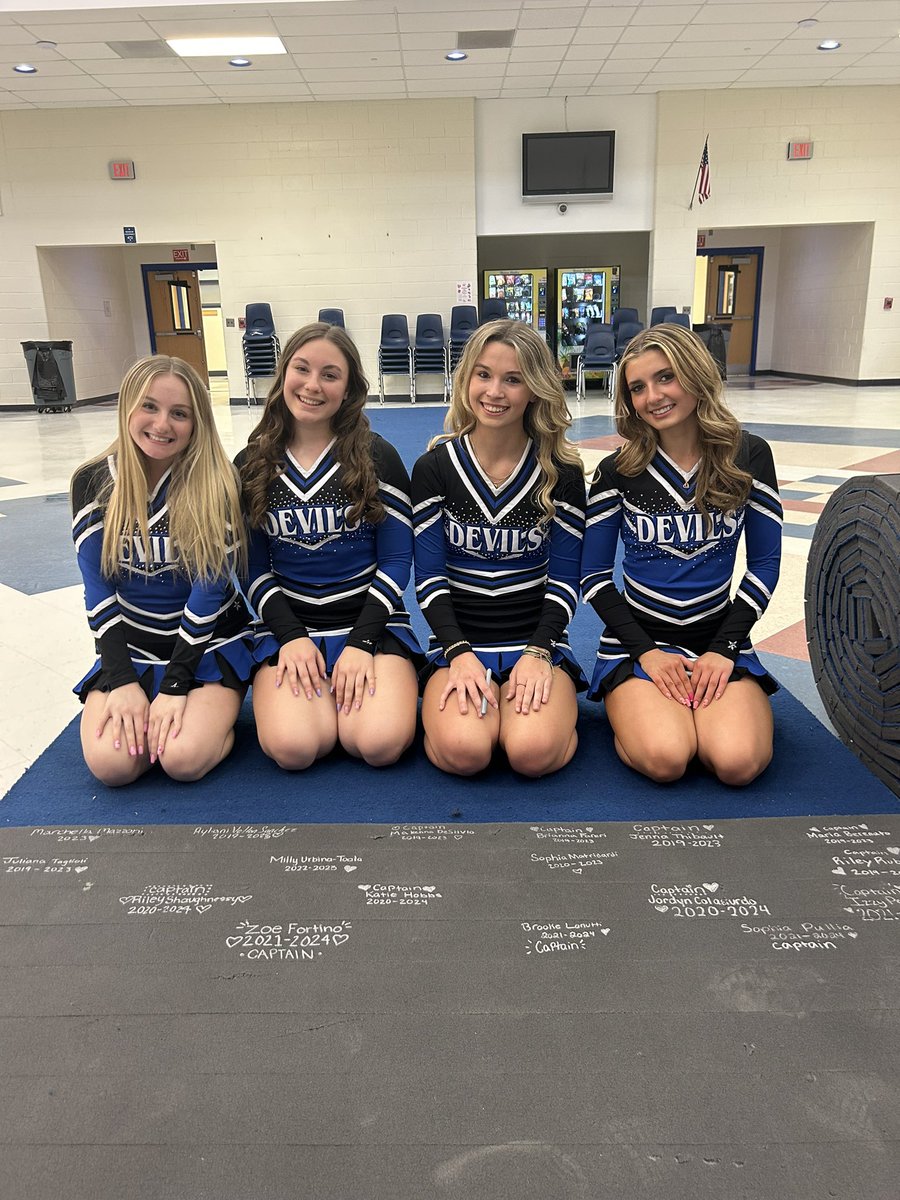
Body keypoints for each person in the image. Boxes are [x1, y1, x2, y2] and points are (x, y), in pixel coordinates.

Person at [581, 323, 783, 786]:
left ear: (694, 374)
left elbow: (765, 565)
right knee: (667, 759)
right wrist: (647, 654)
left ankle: (701, 708)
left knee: (737, 764)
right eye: (637, 387)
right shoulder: (620, 469)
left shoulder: (747, 455)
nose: (653, 396)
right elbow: (592, 576)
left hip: (719, 638)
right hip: (637, 643)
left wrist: (724, 648)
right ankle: (643, 712)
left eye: (665, 377)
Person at [237, 322, 421, 771]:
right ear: (283, 376)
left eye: (330, 374)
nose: (312, 385)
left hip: (370, 625)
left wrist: (361, 642)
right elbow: (251, 568)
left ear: (349, 389)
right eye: (301, 369)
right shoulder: (251, 462)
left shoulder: (378, 456)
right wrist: (290, 636)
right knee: (295, 748)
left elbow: (397, 559)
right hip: (290, 629)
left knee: (378, 744)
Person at [412, 318, 586, 778]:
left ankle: (544, 717)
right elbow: (428, 581)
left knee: (530, 754)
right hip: (458, 646)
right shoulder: (434, 468)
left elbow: (567, 581)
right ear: (466, 377)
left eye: (514, 379)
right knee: (466, 753)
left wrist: (539, 652)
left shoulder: (560, 472)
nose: (495, 391)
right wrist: (458, 653)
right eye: (484, 374)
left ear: (535, 388)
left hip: (537, 644)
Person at [71, 356, 254, 787]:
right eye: (148, 407)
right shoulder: (93, 482)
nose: (162, 424)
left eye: (180, 413)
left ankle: (221, 723)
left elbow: (208, 593)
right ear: (127, 408)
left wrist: (174, 685)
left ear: (197, 422)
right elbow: (98, 593)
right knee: (112, 767)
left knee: (182, 759)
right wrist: (121, 681)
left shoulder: (219, 481)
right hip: (132, 646)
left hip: (207, 644)